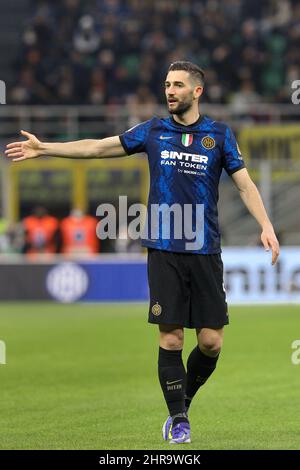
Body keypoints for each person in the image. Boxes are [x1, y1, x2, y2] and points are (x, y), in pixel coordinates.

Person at [5, 61, 280, 444]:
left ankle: (182, 398)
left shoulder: (218, 135)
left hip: (205, 250)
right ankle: (179, 420)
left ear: (197, 91)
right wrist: (46, 148)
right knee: (171, 340)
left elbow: (245, 185)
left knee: (211, 342)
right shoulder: (153, 130)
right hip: (164, 249)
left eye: (178, 85)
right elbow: (99, 148)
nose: (170, 90)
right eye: (167, 84)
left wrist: (266, 225)